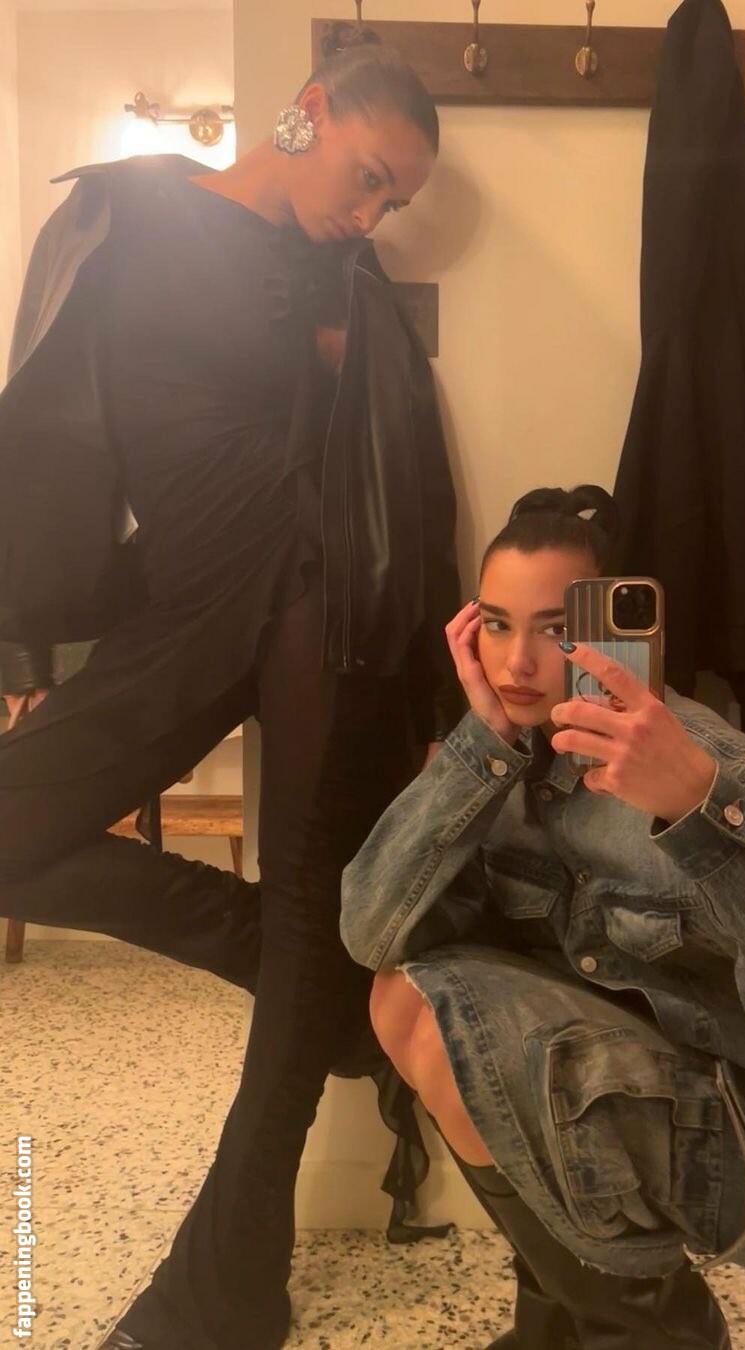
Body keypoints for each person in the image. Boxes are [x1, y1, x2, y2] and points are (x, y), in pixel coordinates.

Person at [0, 39, 462, 1350]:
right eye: (369, 176)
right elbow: (43, 437)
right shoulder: (124, 218)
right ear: (307, 113)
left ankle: (225, 1289)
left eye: (394, 200)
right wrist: (27, 653)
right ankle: (308, 973)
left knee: (314, 896)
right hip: (183, 605)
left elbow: (396, 476)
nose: (370, 212)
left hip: (317, 607)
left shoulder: (343, 285)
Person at [339, 486, 745, 1349]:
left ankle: (661, 1332)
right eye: (497, 625)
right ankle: (565, 1322)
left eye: (555, 629)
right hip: (628, 1104)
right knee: (405, 998)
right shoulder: (498, 758)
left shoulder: (719, 768)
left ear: (615, 632)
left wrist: (699, 813)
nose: (517, 662)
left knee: (447, 1029)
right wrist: (478, 749)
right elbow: (369, 931)